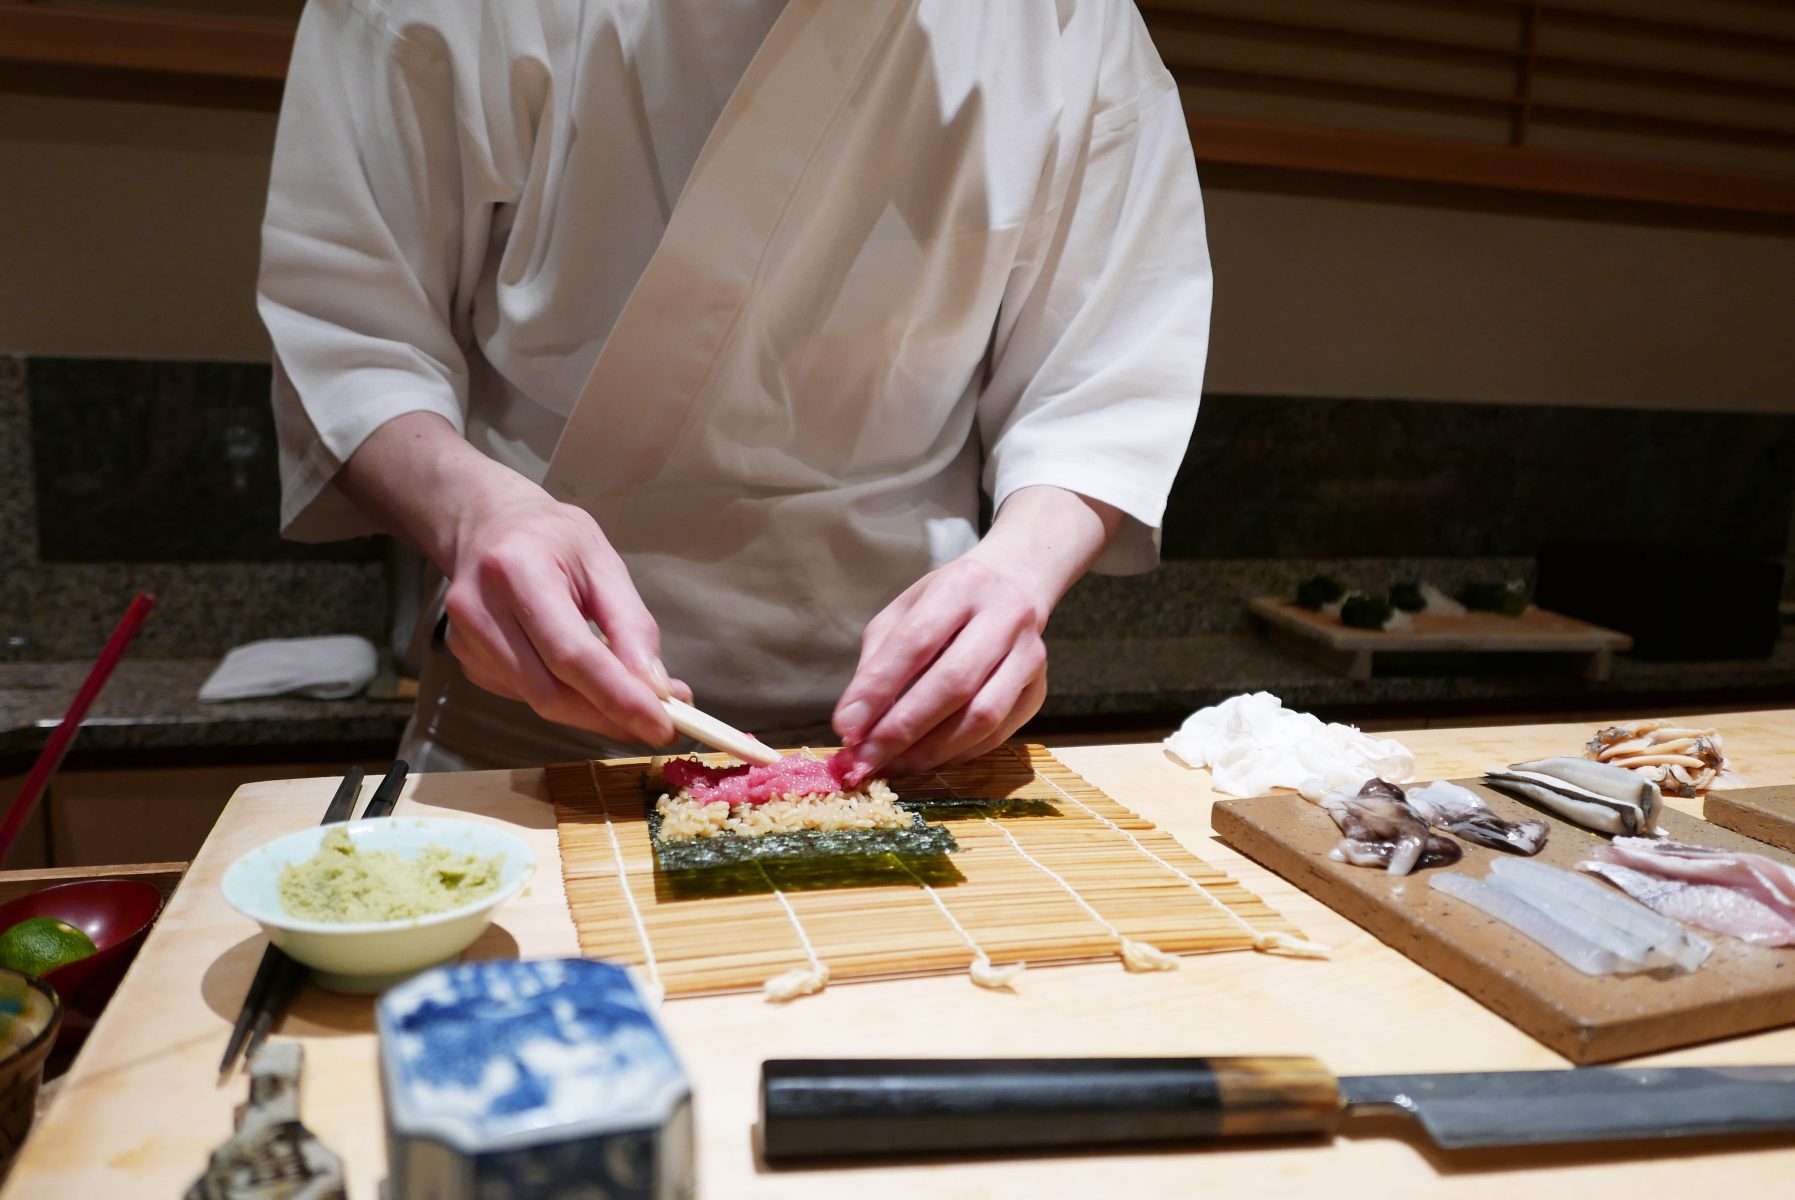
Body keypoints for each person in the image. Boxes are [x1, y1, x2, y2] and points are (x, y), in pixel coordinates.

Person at [260, 0, 1212, 779]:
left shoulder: (1070, 24)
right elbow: (353, 330)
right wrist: (475, 516)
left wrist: (1015, 576)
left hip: (914, 710)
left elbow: (1102, 381)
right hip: (533, 710)